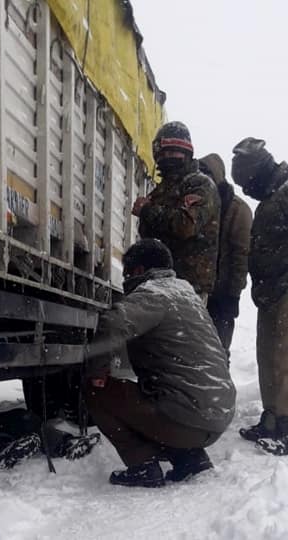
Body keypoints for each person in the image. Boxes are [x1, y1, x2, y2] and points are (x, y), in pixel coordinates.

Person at [85, 238, 235, 487]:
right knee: (162, 395)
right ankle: (190, 457)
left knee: (96, 390)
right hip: (217, 416)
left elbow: (113, 323)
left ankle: (143, 465)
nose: (126, 281)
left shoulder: (154, 293)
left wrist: (97, 369)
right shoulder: (189, 297)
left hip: (187, 416)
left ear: (140, 271)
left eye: (128, 274)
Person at [230, 138, 288, 454]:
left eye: (247, 184)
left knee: (283, 359)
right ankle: (272, 417)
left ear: (258, 172)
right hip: (269, 292)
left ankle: (285, 426)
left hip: (285, 288)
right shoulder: (270, 198)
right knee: (267, 354)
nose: (246, 192)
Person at [132, 121, 221, 302]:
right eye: (163, 153)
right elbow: (149, 235)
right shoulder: (161, 191)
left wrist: (147, 210)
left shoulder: (199, 185)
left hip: (188, 284)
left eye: (172, 152)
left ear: (186, 153)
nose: (167, 157)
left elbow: (186, 226)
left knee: (182, 330)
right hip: (158, 280)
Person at [198, 154, 252, 355]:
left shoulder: (238, 209)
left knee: (217, 353)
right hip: (197, 291)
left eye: (207, 174)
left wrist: (233, 294)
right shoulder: (199, 205)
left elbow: (241, 256)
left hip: (221, 295)